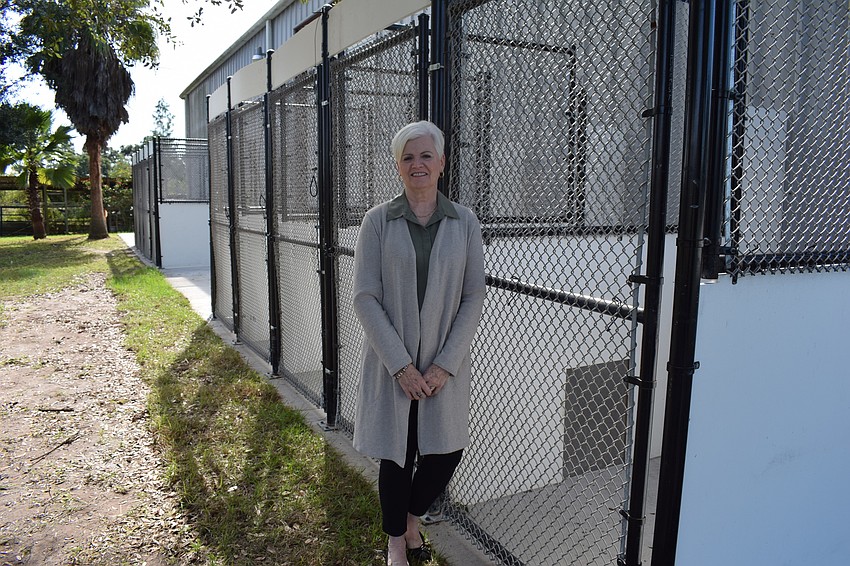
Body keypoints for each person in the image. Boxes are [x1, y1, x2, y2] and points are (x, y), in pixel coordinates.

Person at [352, 120, 486, 566]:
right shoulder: (378, 221)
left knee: (446, 450)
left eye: (426, 155)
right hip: (393, 363)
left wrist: (445, 364)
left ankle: (411, 519)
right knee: (397, 454)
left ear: (442, 162)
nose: (418, 164)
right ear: (398, 166)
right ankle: (396, 541)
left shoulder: (465, 222)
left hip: (443, 365)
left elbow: (473, 295)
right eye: (408, 157)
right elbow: (365, 297)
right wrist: (401, 366)